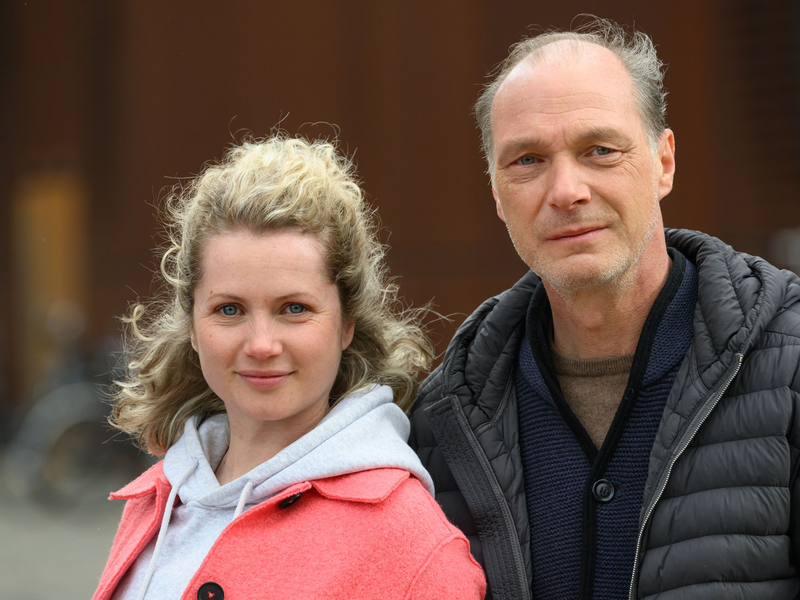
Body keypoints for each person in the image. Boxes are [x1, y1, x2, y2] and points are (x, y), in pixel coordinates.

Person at [410, 16, 800, 600]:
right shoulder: (445, 416)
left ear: (663, 162)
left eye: (599, 150)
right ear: (495, 193)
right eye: (527, 161)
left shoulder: (789, 359)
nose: (566, 190)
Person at [92, 136, 486, 600]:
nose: (261, 344)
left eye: (294, 308)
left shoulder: (415, 549)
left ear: (347, 325)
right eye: (230, 310)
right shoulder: (157, 498)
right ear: (193, 328)